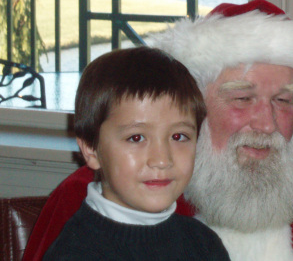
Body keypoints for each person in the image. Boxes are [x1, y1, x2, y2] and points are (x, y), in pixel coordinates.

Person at [24, 0, 293, 261]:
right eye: (242, 97)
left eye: (283, 100)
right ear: (194, 107)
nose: (267, 123)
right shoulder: (90, 195)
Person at [43, 47, 231, 260]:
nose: (161, 160)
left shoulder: (203, 243)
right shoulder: (75, 253)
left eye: (178, 137)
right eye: (136, 138)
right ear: (91, 149)